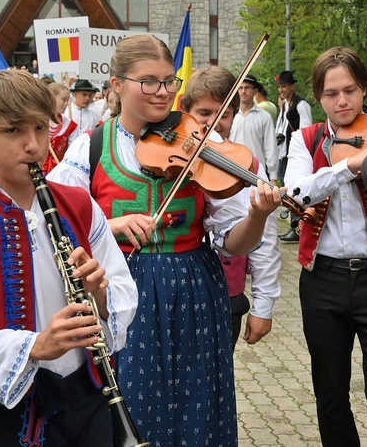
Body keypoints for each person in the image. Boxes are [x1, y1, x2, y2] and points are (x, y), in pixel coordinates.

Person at [47, 34, 282, 445]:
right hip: (122, 287)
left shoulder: (203, 147)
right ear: (117, 84)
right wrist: (111, 227)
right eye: (149, 82)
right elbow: (57, 225)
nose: (163, 92)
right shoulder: (91, 146)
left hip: (194, 287)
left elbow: (234, 243)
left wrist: (259, 216)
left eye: (170, 81)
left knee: (198, 403)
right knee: (132, 401)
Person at [0, 69, 138, 445]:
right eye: (13, 131)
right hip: (8, 410)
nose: (33, 145)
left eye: (40, 128)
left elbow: (123, 289)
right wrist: (36, 346)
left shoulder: (78, 204)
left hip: (87, 396)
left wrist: (100, 294)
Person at [284, 46, 367, 446]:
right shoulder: (306, 139)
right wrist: (348, 166)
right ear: (319, 97)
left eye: (350, 91)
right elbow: (297, 191)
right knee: (331, 394)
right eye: (331, 93)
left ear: (365, 89)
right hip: (322, 279)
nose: (342, 101)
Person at [181, 66, 282, 348]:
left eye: (223, 114)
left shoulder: (247, 165)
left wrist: (263, 305)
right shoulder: (166, 160)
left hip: (228, 292)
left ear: (234, 116)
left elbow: (265, 240)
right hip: (176, 293)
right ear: (186, 111)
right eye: (204, 113)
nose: (213, 123)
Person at [275, 70, 312, 242]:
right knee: (287, 190)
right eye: (280, 87)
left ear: (292, 86)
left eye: (284, 86)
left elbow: (306, 130)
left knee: (295, 190)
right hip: (285, 151)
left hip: (296, 154)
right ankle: (294, 226)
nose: (281, 89)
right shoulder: (285, 105)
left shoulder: (301, 105)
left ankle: (297, 228)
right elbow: (282, 126)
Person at [230, 74, 278, 183]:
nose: (243, 91)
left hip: (256, 172)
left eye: (247, 88)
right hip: (232, 170)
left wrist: (273, 177)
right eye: (240, 88)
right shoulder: (229, 115)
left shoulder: (264, 117)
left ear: (255, 91)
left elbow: (270, 147)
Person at [43, 82, 79, 173]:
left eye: (68, 100)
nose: (67, 104)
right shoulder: (37, 122)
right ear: (51, 98)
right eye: (64, 100)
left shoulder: (70, 125)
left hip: (60, 172)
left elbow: (74, 154)